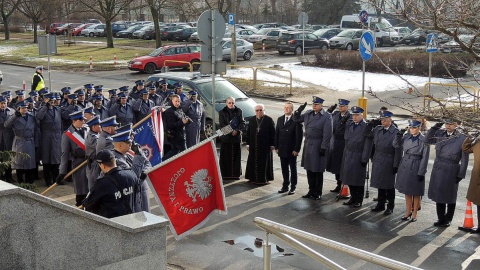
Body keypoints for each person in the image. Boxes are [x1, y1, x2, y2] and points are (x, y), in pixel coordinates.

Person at [425, 119, 469, 227]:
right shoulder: (440, 134)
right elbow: (427, 140)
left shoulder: (462, 138)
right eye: (446, 124)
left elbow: (464, 159)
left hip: (452, 168)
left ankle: (448, 219)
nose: (448, 126)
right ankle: (441, 218)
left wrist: (461, 174)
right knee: (438, 194)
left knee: (450, 195)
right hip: (439, 166)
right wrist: (434, 127)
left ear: (457, 125)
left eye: (451, 124)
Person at [292, 96, 332, 200]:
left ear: (321, 105)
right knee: (309, 169)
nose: (314, 106)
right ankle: (311, 190)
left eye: (317, 104)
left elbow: (327, 134)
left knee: (317, 170)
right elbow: (296, 119)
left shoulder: (326, 117)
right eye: (313, 104)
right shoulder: (308, 114)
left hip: (318, 144)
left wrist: (323, 147)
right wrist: (298, 111)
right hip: (308, 143)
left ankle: (317, 192)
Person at [82, 149, 139, 218]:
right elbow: (137, 194)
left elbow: (88, 204)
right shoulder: (131, 174)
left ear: (102, 165)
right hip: (130, 219)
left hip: (112, 224)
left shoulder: (102, 184)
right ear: (114, 160)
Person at [393, 120, 430, 222]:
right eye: (410, 128)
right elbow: (395, 145)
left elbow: (425, 157)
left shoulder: (424, 140)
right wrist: (399, 135)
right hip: (405, 163)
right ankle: (408, 211)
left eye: (414, 128)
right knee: (407, 190)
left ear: (419, 128)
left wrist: (421, 172)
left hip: (416, 164)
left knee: (416, 191)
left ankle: (414, 214)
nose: (412, 130)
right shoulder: (406, 137)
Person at [369, 110, 401, 215]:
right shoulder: (377, 129)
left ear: (390, 120)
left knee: (389, 185)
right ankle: (380, 204)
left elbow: (398, 150)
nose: (383, 122)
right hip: (378, 158)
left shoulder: (396, 132)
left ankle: (390, 206)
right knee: (379, 183)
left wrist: (396, 164)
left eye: (385, 120)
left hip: (389, 159)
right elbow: (367, 135)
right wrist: (370, 125)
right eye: (381, 120)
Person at [112, 130, 152, 212]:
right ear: (120, 146)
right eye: (128, 143)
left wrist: (143, 172)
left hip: (141, 194)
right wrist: (138, 154)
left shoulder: (128, 155)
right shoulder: (116, 161)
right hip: (132, 200)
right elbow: (133, 176)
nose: (131, 144)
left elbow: (147, 163)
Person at [340, 106, 371, 208]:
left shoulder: (366, 127)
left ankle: (359, 200)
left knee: (358, 179)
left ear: (362, 115)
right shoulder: (349, 124)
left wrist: (364, 159)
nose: (355, 117)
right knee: (349, 178)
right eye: (353, 115)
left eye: (357, 115)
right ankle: (353, 197)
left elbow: (368, 145)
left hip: (359, 155)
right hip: (348, 153)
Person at [56, 110, 89, 206]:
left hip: (89, 163)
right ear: (74, 121)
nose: (83, 121)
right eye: (81, 120)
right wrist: (62, 172)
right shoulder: (68, 135)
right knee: (81, 189)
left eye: (83, 119)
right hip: (78, 164)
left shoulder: (86, 129)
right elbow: (64, 154)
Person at [5, 101, 37, 184]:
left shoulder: (31, 116)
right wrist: (15, 115)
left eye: (26, 107)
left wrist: (36, 143)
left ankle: (29, 182)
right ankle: (20, 181)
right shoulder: (15, 117)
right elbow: (7, 125)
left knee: (29, 163)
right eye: (22, 108)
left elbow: (36, 129)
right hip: (19, 141)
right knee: (19, 163)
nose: (24, 109)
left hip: (30, 141)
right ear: (19, 109)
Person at [275, 102, 303, 194]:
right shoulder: (280, 119)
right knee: (284, 168)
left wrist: (296, 149)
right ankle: (285, 186)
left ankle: (293, 187)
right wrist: (276, 147)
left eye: (288, 108)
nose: (286, 109)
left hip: (291, 149)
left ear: (292, 109)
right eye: (285, 107)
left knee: (293, 168)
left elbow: (299, 137)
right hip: (282, 148)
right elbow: (277, 134)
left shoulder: (295, 121)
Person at [35, 93, 62, 187]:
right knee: (47, 160)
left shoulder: (57, 110)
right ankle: (48, 180)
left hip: (57, 137)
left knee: (56, 160)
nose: (52, 102)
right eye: (50, 100)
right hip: (46, 137)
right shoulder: (42, 109)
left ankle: (56, 179)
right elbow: (38, 117)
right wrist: (46, 106)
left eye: (53, 100)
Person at [245, 104, 275, 185]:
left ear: (264, 110)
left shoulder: (269, 120)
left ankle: (264, 179)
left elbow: (273, 133)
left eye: (260, 110)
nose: (259, 112)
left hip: (265, 146)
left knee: (264, 163)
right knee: (253, 162)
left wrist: (272, 144)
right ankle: (253, 178)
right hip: (253, 145)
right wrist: (247, 143)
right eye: (257, 110)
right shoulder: (252, 120)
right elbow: (248, 133)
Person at [326, 98, 351, 193]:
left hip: (344, 142)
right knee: (336, 166)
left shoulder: (350, 116)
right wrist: (329, 111)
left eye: (343, 106)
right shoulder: (335, 114)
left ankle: (343, 186)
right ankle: (338, 184)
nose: (340, 107)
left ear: (347, 107)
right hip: (335, 142)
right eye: (340, 106)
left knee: (342, 166)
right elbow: (326, 118)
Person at [218, 97, 245, 181]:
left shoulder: (239, 111)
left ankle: (235, 174)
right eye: (229, 103)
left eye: (232, 103)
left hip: (236, 138)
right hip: (226, 138)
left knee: (236, 157)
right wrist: (231, 131)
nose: (231, 104)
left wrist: (236, 130)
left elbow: (242, 123)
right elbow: (222, 125)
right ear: (226, 103)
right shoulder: (222, 112)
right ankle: (225, 175)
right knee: (225, 156)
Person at [462, 135, 480, 233]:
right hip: (477, 178)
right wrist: (470, 137)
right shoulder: (477, 142)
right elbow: (465, 148)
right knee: (478, 203)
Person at [163, 94, 189, 160]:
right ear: (172, 101)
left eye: (178, 101)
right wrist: (182, 122)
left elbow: (183, 117)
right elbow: (171, 125)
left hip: (181, 134)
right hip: (175, 136)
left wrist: (187, 121)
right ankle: (163, 161)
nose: (177, 103)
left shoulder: (179, 109)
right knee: (183, 152)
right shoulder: (170, 112)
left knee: (176, 151)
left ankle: (163, 161)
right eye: (176, 101)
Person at [0, 96, 15, 182]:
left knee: (9, 157)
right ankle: (1, 177)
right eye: (1, 103)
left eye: (4, 103)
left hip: (9, 136)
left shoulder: (11, 111)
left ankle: (9, 176)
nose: (3, 105)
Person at [85, 116, 101, 191]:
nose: (101, 127)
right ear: (94, 127)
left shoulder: (96, 135)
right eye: (99, 125)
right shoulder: (93, 137)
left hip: (95, 163)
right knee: (94, 187)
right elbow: (100, 147)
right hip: (94, 164)